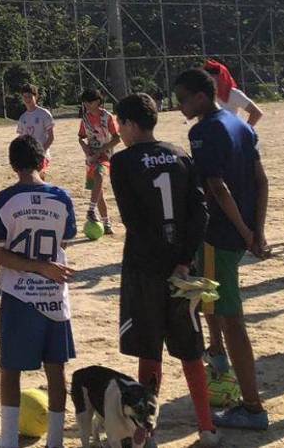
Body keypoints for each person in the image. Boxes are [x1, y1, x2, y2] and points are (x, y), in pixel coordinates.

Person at [109, 93, 219, 446]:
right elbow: (200, 212)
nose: (119, 132)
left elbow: (133, 220)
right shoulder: (179, 154)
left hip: (146, 267)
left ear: (129, 124)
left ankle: (147, 432)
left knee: (149, 349)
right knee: (190, 350)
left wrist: (158, 263)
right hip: (182, 270)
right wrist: (184, 260)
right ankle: (207, 427)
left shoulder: (123, 162)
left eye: (120, 124)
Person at [173, 68, 269, 430]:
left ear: (201, 96)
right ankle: (218, 358)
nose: (179, 105)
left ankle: (253, 407)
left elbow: (217, 187)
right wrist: (257, 231)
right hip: (238, 234)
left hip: (218, 235)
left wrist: (244, 231)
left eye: (182, 99)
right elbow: (261, 180)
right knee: (213, 304)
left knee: (232, 320)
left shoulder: (203, 132)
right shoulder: (239, 124)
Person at [0, 135, 78, 448]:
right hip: (53, 295)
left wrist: (34, 267)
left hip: (18, 295)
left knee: (10, 370)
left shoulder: (4, 200)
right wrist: (45, 268)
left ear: (13, 165)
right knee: (56, 369)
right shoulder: (62, 198)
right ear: (42, 161)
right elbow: (64, 242)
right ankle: (56, 440)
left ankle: (8, 441)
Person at [77, 88, 121, 234]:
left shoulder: (107, 117)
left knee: (99, 176)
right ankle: (106, 223)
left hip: (105, 157)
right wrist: (86, 149)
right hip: (91, 158)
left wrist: (100, 151)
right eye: (84, 103)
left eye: (89, 102)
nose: (86, 105)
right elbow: (81, 137)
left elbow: (117, 139)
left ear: (97, 102)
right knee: (98, 192)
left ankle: (90, 210)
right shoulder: (85, 119)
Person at [204, 60, 264, 127]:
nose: (209, 79)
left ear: (222, 76)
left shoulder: (233, 93)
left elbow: (256, 112)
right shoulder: (204, 94)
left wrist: (244, 130)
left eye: (213, 76)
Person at [15, 84, 55, 158]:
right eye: (25, 97)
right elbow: (21, 139)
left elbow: (51, 137)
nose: (27, 99)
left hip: (42, 156)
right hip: (28, 157)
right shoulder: (22, 118)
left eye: (30, 97)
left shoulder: (44, 113)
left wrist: (41, 152)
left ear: (36, 97)